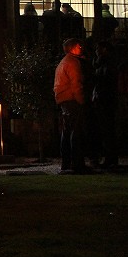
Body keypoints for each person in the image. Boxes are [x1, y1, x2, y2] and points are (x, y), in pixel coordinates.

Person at [53, 38, 90, 174]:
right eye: (79, 45)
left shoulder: (63, 63)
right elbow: (76, 84)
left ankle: (66, 163)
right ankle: (77, 163)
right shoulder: (73, 63)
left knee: (67, 132)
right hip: (72, 100)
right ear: (73, 47)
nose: (81, 47)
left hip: (63, 100)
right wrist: (81, 100)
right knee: (76, 132)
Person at [92, 41, 120, 168]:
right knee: (106, 129)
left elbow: (104, 81)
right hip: (104, 99)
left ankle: (110, 157)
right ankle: (109, 157)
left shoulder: (106, 64)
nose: (96, 50)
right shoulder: (105, 63)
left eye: (98, 48)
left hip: (104, 100)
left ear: (104, 49)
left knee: (107, 129)